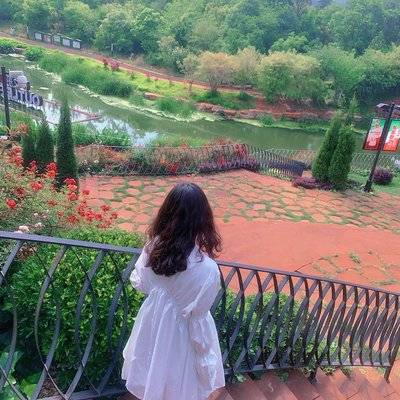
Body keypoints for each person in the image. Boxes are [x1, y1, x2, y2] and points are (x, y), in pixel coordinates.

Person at [122, 183, 225, 400]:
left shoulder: (152, 249)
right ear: (203, 219)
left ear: (166, 213)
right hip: (182, 338)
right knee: (179, 385)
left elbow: (141, 283)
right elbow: (198, 319)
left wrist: (163, 296)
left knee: (152, 373)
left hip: (152, 324)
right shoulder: (207, 270)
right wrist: (205, 362)